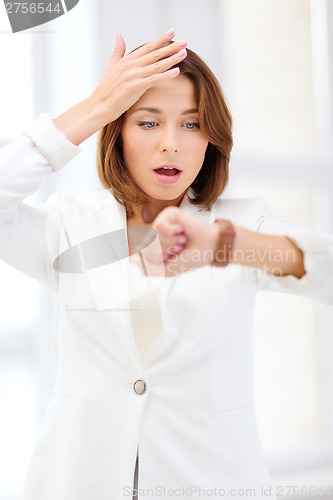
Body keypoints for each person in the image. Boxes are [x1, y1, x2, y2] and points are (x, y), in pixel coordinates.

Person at [0, 28, 332, 500]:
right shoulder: (69, 226)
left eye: (192, 124)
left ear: (211, 138)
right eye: (148, 122)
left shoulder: (239, 224)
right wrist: (95, 106)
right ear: (117, 131)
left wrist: (226, 244)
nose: (171, 144)